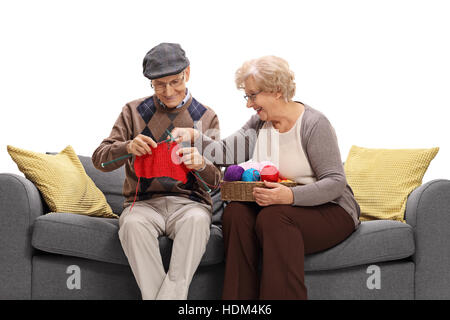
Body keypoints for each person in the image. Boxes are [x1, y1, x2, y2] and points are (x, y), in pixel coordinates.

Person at [170, 55, 361, 300]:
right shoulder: (260, 124)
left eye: (253, 95)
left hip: (330, 210)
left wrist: (290, 195)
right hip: (281, 209)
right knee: (236, 212)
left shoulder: (314, 123)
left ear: (277, 91)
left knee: (274, 216)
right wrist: (194, 136)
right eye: (246, 96)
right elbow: (227, 152)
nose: (249, 104)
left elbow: (335, 182)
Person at [92, 43, 221, 300]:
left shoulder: (206, 117)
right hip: (142, 205)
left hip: (190, 205)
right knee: (130, 225)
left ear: (188, 73)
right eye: (159, 84)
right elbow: (100, 161)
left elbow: (215, 183)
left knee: (196, 221)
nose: (169, 91)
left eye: (175, 81)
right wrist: (128, 147)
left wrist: (201, 165)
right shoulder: (133, 111)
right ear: (150, 83)